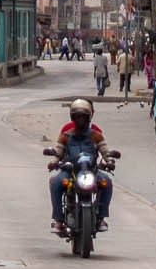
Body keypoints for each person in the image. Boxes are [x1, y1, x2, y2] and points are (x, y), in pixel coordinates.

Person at [47, 100, 113, 235]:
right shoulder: (65, 136)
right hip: (70, 172)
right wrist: (54, 161)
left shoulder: (96, 135)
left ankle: (101, 218)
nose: (80, 119)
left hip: (91, 171)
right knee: (55, 182)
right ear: (73, 117)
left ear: (89, 117)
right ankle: (58, 220)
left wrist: (110, 161)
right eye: (77, 116)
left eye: (83, 116)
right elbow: (58, 151)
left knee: (107, 182)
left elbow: (105, 151)